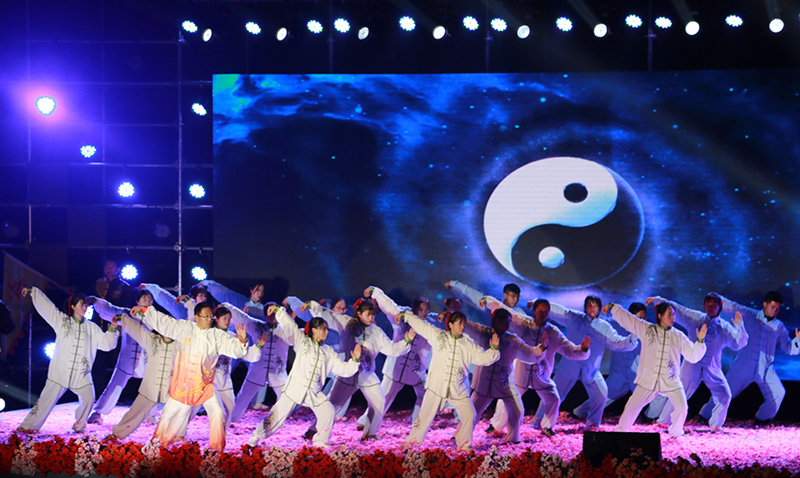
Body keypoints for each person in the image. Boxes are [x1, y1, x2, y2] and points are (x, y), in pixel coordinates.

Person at [129, 301, 250, 450]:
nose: (209, 319)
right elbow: (165, 322)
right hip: (184, 385)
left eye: (210, 316)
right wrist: (145, 310)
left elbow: (234, 349)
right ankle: (157, 445)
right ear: (197, 316)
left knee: (218, 412)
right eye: (205, 316)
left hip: (205, 386)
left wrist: (242, 341)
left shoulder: (216, 335)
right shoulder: (186, 328)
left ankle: (216, 450)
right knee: (169, 415)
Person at [249, 304, 361, 448]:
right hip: (295, 388)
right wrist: (278, 310)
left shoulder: (328, 352)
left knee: (328, 412)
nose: (327, 332)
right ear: (314, 330)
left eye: (327, 329)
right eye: (324, 328)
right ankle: (256, 436)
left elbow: (343, 370)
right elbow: (290, 326)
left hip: (314, 392)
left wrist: (355, 361)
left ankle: (320, 441)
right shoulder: (303, 341)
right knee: (277, 415)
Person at [304, 298, 414, 440]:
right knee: (333, 405)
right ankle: (314, 429)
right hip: (348, 372)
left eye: (373, 314)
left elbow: (390, 348)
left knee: (379, 401)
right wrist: (313, 306)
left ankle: (370, 433)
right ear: (359, 314)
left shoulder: (376, 331)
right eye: (368, 314)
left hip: (366, 373)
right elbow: (330, 316)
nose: (371, 317)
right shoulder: (347, 323)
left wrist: (406, 342)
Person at [17, 287, 120, 433]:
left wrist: (112, 330)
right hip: (59, 373)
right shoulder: (62, 321)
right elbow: (48, 308)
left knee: (89, 399)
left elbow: (106, 345)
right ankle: (27, 426)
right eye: (81, 304)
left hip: (82, 375)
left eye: (86, 305)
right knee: (45, 402)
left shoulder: (91, 327)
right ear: (72, 306)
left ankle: (79, 425)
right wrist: (33, 291)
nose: (84, 308)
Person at [396, 309, 500, 451]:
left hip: (458, 389)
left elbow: (481, 359)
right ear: (450, 325)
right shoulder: (439, 336)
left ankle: (464, 444)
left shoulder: (468, 343)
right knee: (424, 417)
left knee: (470, 415)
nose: (463, 326)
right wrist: (406, 315)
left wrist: (493, 350)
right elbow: (422, 326)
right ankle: (412, 442)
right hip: (437, 387)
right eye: (459, 323)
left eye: (464, 323)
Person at [484, 297, 589, 437]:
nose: (542, 314)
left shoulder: (553, 332)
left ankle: (547, 427)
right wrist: (489, 301)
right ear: (534, 311)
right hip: (521, 372)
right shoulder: (524, 323)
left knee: (554, 398)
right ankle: (496, 425)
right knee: (507, 396)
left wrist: (583, 349)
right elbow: (508, 312)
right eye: (539, 311)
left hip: (541, 375)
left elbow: (569, 349)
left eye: (545, 312)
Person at [535, 295, 638, 431]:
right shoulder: (576, 318)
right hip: (569, 366)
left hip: (591, 369)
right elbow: (561, 311)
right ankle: (538, 420)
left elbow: (617, 341)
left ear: (599, 308)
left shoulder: (604, 326)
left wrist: (632, 339)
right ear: (585, 307)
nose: (592, 308)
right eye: (589, 305)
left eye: (595, 305)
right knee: (553, 394)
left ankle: (592, 423)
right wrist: (539, 304)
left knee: (601, 393)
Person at [647, 293, 747, 431]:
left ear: (720, 306)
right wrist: (659, 300)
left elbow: (738, 344)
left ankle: (715, 425)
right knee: (679, 393)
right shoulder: (695, 318)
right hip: (692, 365)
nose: (710, 307)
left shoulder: (724, 327)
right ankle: (664, 421)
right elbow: (679, 309)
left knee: (725, 394)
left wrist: (740, 326)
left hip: (712, 367)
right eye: (707, 304)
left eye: (713, 304)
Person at [697, 291, 799, 425]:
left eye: (778, 308)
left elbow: (788, 348)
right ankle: (705, 415)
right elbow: (733, 307)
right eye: (773, 307)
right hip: (743, 365)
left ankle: (762, 419)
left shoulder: (779, 327)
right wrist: (715, 298)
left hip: (765, 367)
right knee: (726, 392)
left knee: (778, 392)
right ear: (765, 304)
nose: (775, 311)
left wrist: (797, 340)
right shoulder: (750, 315)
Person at [607, 302, 707, 437]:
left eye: (674, 315)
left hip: (670, 380)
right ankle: (621, 432)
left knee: (682, 407)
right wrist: (613, 307)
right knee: (631, 407)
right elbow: (629, 320)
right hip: (648, 380)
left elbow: (693, 356)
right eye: (669, 314)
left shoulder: (678, 336)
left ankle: (676, 433)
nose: (672, 317)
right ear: (659, 316)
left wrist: (700, 341)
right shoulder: (647, 329)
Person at [358, 287, 443, 428]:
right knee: (383, 398)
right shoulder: (402, 315)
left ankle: (418, 422)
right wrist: (376, 292)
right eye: (421, 309)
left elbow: (445, 320)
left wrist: (446, 314)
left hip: (416, 370)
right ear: (414, 308)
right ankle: (365, 421)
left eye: (427, 310)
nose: (424, 313)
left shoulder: (430, 322)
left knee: (428, 394)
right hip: (396, 369)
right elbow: (389, 306)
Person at [462, 307, 545, 443]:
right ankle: (461, 436)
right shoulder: (484, 333)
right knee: (472, 413)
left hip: (504, 382)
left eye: (509, 321)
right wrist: (450, 316)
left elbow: (529, 353)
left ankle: (513, 439)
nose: (508, 324)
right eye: (505, 321)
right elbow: (469, 326)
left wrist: (541, 348)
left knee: (517, 411)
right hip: (484, 383)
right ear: (496, 321)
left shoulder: (512, 340)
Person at [104, 312, 180, 440]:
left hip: (170, 390)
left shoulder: (180, 344)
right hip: (150, 388)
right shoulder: (153, 340)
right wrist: (123, 319)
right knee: (135, 413)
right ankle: (117, 434)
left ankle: (176, 437)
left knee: (179, 412)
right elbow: (137, 330)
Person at [87, 289, 153, 425]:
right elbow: (111, 310)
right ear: (137, 301)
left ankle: (149, 414)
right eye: (144, 299)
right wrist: (96, 301)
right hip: (127, 359)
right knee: (115, 385)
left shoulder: (154, 317)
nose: (147, 302)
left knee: (152, 387)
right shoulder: (128, 314)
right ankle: (98, 412)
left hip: (146, 360)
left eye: (149, 300)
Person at [227, 302, 292, 422]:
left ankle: (277, 421)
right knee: (243, 396)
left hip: (278, 371)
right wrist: (226, 307)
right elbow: (243, 318)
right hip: (257, 369)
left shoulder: (286, 331)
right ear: (265, 315)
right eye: (269, 313)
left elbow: (295, 333)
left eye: (275, 313)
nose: (272, 316)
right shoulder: (257, 326)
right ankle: (232, 418)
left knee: (287, 396)